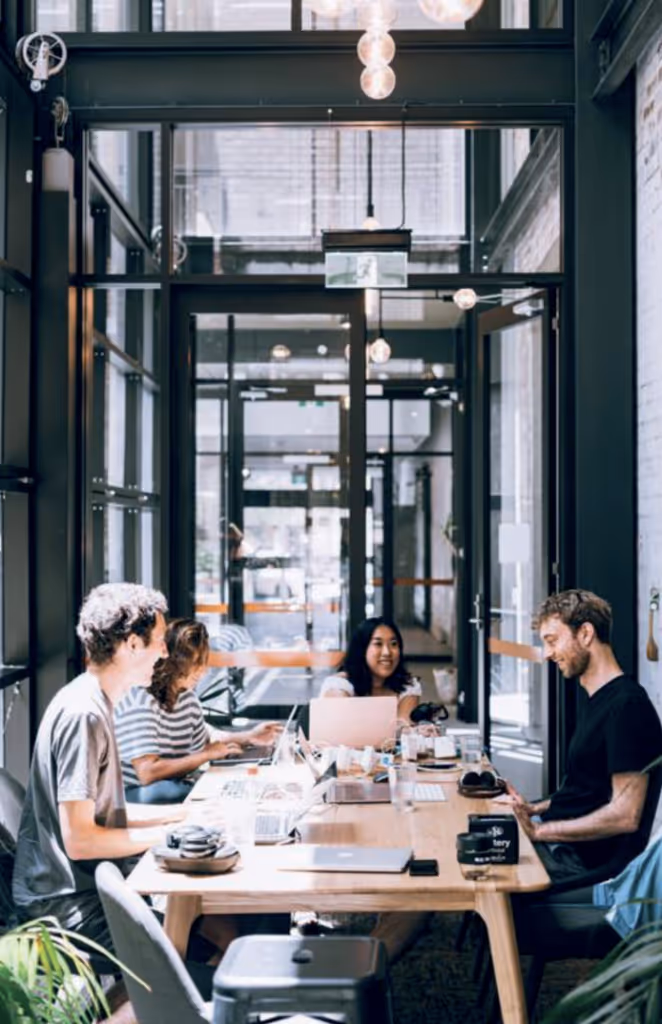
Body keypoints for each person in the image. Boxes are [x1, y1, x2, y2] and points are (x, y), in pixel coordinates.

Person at [12, 583, 175, 944]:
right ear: (133, 643)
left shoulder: (91, 701)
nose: (164, 652)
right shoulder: (84, 715)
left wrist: (184, 816)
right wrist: (170, 836)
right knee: (210, 939)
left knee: (216, 926)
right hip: (65, 905)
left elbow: (101, 813)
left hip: (83, 889)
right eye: (160, 640)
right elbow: (81, 841)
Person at [507, 589, 662, 886]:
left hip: (579, 859)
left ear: (586, 634)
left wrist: (539, 832)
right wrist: (533, 809)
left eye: (552, 641)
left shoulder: (627, 708)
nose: (548, 653)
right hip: (562, 842)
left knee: (480, 870)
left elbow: (625, 815)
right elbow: (588, 791)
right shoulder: (599, 700)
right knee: (475, 841)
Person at [115, 618, 282, 804]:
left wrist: (249, 736)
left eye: (203, 662)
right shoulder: (142, 700)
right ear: (174, 661)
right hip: (136, 792)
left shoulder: (186, 697)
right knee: (181, 792)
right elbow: (147, 773)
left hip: (173, 784)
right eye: (196, 663)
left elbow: (208, 738)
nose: (203, 671)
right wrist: (205, 755)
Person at [320, 617, 421, 722]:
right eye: (378, 644)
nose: (387, 652)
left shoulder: (407, 686)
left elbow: (405, 729)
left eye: (393, 644)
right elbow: (342, 728)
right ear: (362, 650)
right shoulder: (339, 685)